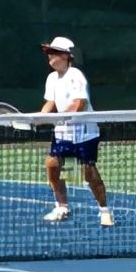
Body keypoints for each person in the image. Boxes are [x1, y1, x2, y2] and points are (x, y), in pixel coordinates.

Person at [38, 36, 111, 227]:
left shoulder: (75, 75)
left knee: (89, 174)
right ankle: (62, 207)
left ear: (65, 56)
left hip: (85, 133)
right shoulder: (52, 78)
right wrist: (39, 117)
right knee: (52, 166)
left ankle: (104, 211)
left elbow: (80, 103)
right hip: (63, 133)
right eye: (48, 53)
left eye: (53, 52)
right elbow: (50, 102)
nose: (49, 56)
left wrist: (62, 117)